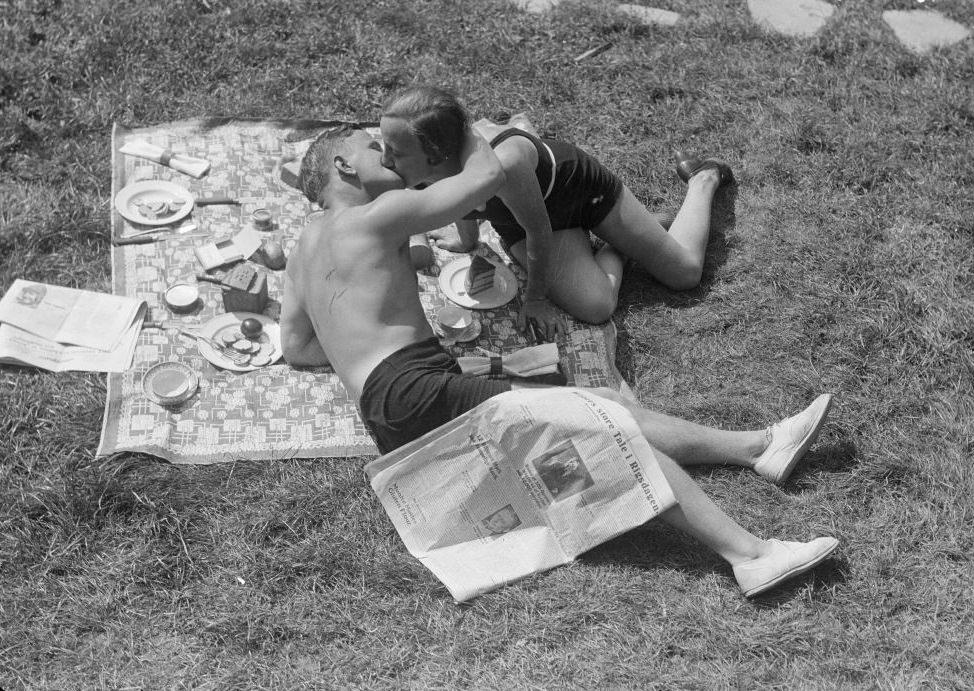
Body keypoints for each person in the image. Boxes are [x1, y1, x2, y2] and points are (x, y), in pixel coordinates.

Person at [281, 123, 839, 598]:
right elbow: (485, 178)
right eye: (375, 148)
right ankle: (751, 555)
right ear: (343, 166)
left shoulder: (307, 245)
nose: (390, 155)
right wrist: (466, 128)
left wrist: (364, 337)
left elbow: (298, 346)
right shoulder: (381, 215)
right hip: (416, 388)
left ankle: (760, 448)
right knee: (600, 427)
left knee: (594, 406)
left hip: (388, 411)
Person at [379, 85, 734, 335]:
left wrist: (535, 300)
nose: (384, 160)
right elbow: (458, 199)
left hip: (579, 194)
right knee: (596, 307)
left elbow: (539, 233)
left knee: (685, 274)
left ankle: (703, 177)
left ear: (438, 153)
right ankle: (620, 247)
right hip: (524, 219)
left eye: (395, 151)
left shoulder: (506, 162)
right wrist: (466, 240)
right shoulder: (421, 169)